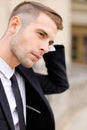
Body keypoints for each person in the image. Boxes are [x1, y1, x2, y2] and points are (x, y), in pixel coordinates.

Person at [0, 1, 69, 130]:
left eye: (50, 42)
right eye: (41, 34)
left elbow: (59, 84)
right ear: (15, 25)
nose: (46, 49)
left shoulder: (24, 74)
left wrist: (48, 41)